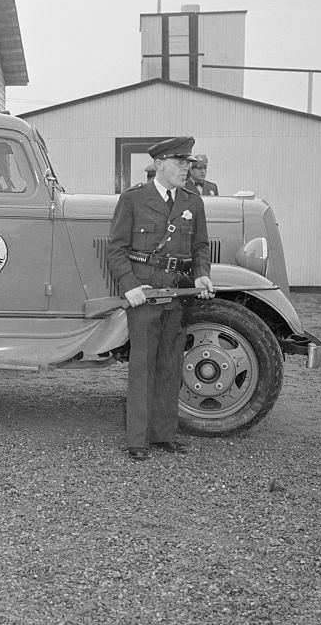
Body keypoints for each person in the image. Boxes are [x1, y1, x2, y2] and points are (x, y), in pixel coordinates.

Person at [106, 136, 214, 461]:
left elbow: (200, 247)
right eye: (180, 163)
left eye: (188, 163)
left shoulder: (193, 202)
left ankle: (164, 434)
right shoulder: (134, 199)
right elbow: (116, 249)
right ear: (159, 164)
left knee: (170, 364)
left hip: (179, 294)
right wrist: (129, 286)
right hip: (145, 294)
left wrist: (202, 274)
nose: (187, 169)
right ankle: (137, 440)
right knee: (143, 366)